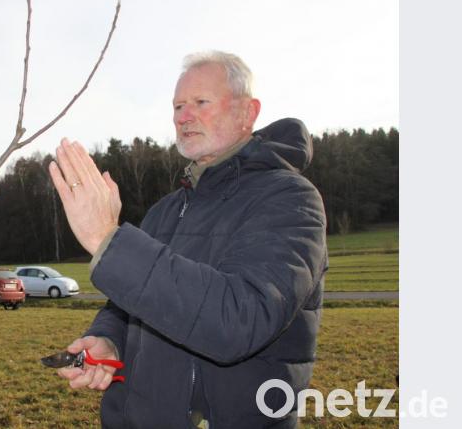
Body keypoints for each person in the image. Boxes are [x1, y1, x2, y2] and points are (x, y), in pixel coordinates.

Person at [48, 50, 327, 428]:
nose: (183, 116)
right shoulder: (165, 210)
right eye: (178, 106)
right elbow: (128, 305)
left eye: (200, 102)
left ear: (248, 112)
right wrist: (109, 339)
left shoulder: (290, 199)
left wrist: (107, 239)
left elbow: (239, 320)